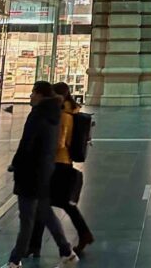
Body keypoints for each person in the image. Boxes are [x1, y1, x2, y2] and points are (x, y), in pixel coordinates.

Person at [6, 81, 78, 268]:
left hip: (30, 173)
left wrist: (16, 164)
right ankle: (67, 252)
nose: (30, 96)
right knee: (45, 214)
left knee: (27, 218)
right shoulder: (55, 114)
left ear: (40, 94)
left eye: (32, 92)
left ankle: (15, 260)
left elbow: (26, 144)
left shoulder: (37, 115)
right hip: (44, 171)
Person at [28, 82, 94, 258]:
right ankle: (35, 245)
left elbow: (59, 142)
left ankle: (36, 245)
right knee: (55, 203)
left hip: (57, 163)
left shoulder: (63, 115)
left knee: (46, 203)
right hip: (61, 163)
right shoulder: (69, 112)